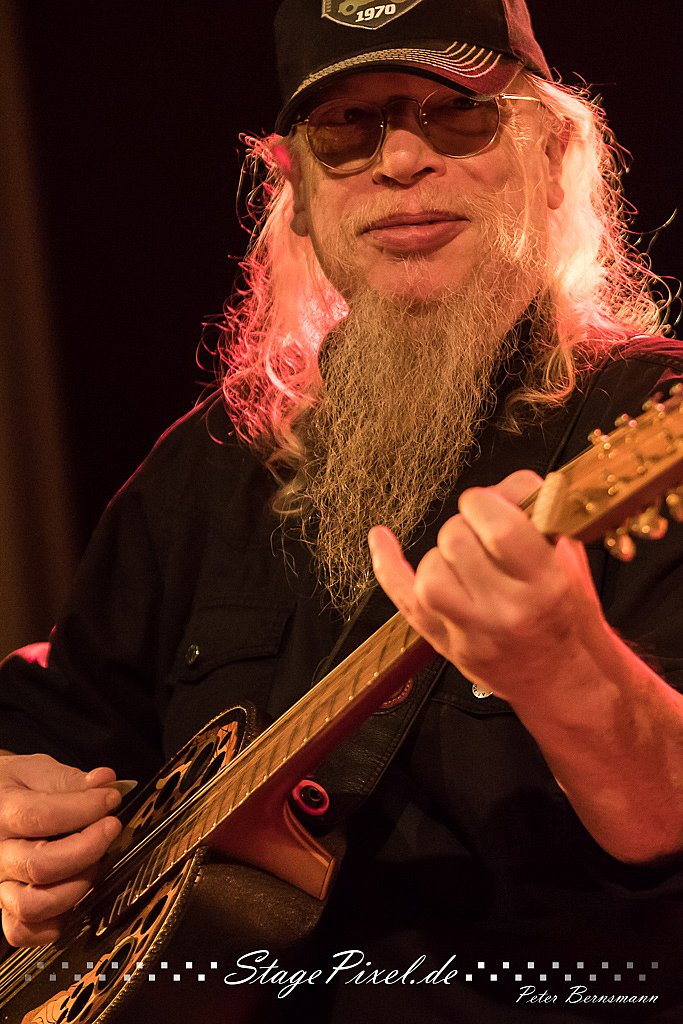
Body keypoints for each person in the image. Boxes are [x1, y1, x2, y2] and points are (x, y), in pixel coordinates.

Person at [0, 1, 681, 1021]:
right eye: (345, 128)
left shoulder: (649, 420)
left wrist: (563, 668)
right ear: (297, 194)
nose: (399, 160)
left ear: (550, 162)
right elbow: (55, 715)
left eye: (456, 115)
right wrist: (14, 815)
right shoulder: (213, 462)